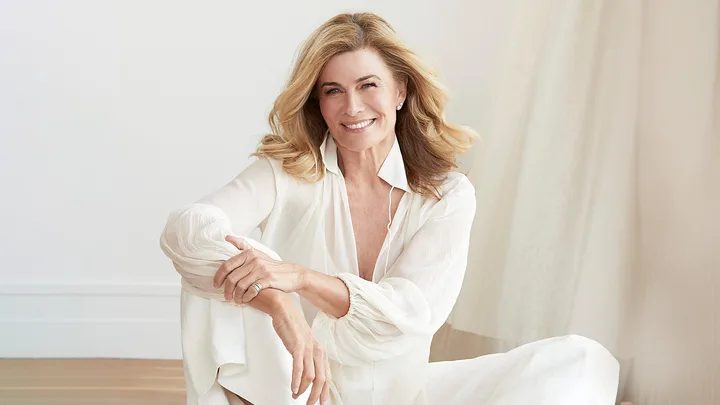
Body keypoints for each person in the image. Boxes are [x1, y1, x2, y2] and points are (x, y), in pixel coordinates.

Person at [160, 12, 620, 405]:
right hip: (299, 391)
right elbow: (188, 227)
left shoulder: (447, 195)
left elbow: (407, 315)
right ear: (318, 103)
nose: (352, 106)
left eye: (368, 85)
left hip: (399, 393)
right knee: (217, 263)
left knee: (582, 360)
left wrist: (299, 277)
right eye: (333, 91)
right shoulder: (287, 173)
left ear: (400, 91)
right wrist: (280, 303)